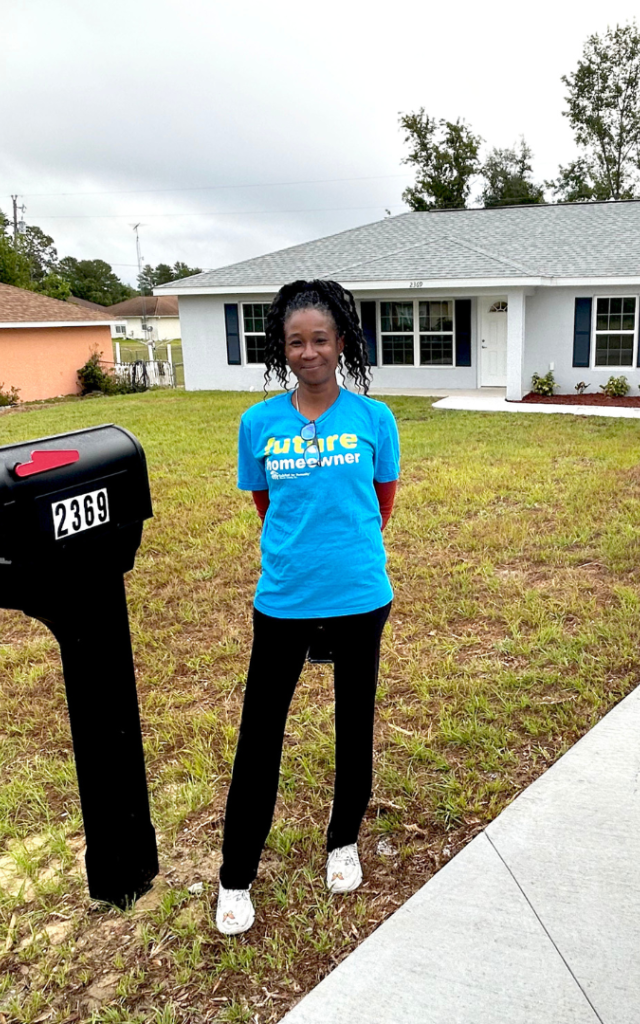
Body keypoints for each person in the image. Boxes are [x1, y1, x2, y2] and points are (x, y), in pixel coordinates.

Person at [216, 279, 400, 936]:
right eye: (296, 342)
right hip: (284, 600)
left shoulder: (375, 420)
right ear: (282, 349)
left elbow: (380, 504)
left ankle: (342, 842)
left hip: (358, 597)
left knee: (354, 726)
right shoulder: (259, 423)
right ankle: (235, 876)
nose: (309, 352)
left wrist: (341, 552)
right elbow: (268, 507)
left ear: (341, 342)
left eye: (320, 339)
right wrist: (302, 552)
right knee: (259, 736)